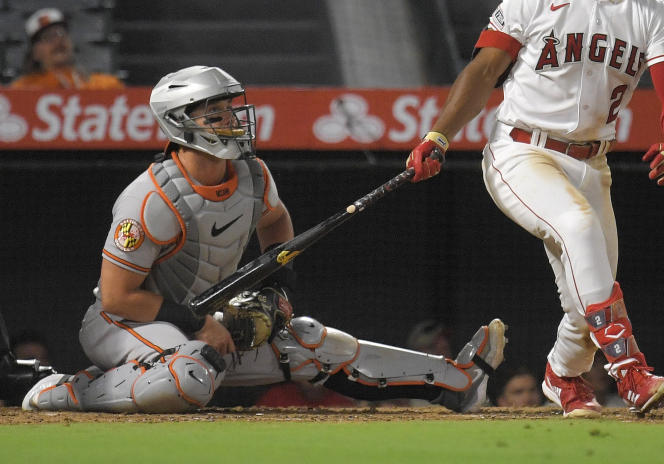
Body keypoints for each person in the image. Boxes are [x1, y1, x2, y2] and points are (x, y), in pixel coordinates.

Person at [22, 65, 507, 413]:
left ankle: (455, 382)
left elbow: (276, 223)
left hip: (202, 321)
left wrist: (279, 290)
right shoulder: (150, 198)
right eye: (215, 115)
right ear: (180, 123)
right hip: (124, 324)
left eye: (230, 110)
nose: (232, 121)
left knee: (309, 342)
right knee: (188, 373)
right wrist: (198, 325)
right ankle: (70, 391)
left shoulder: (252, 174)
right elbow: (117, 297)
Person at [405, 0, 664, 418]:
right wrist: (439, 134)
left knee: (588, 298)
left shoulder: (653, 13)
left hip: (592, 163)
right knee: (580, 229)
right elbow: (484, 70)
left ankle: (563, 377)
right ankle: (629, 372)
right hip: (521, 151)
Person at [9, 7, 123, 89]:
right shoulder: (23, 90)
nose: (58, 40)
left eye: (61, 33)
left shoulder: (104, 86)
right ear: (35, 52)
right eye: (47, 37)